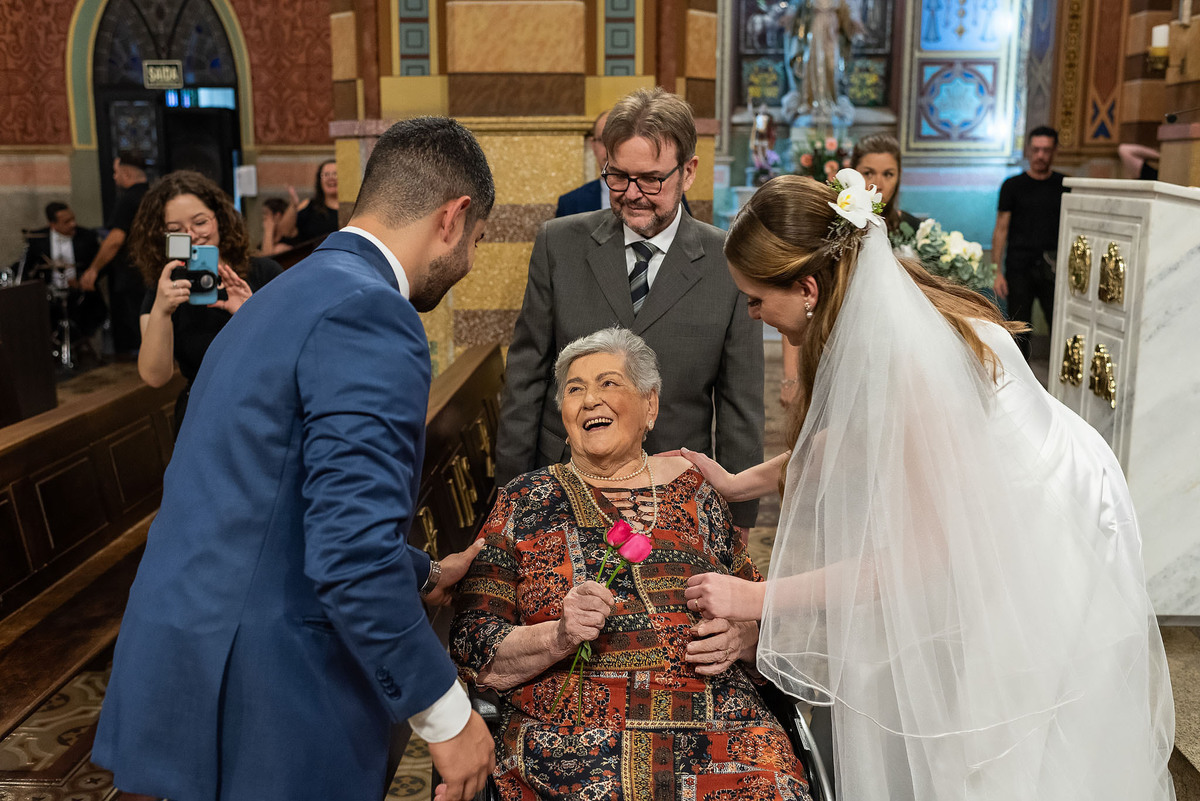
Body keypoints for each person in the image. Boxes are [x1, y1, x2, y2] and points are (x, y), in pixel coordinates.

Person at [679, 172, 1175, 799]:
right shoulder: (878, 304)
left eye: (756, 300)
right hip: (1012, 497)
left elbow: (915, 563)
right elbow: (847, 439)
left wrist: (758, 599)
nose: (753, 315)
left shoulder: (905, 361)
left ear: (807, 288)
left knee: (997, 742)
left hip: (1040, 534)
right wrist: (738, 482)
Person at [93, 117, 499, 801]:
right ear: (453, 217)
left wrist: (425, 572)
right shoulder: (372, 313)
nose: (469, 264)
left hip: (187, 654)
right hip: (268, 689)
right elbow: (350, 552)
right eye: (478, 241)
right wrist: (446, 715)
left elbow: (273, 491)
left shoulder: (286, 291)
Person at [452, 328, 813, 800]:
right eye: (575, 389)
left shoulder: (698, 493)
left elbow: (764, 615)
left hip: (720, 724)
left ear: (650, 406)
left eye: (609, 383)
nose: (590, 400)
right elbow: (473, 644)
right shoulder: (523, 500)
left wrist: (742, 639)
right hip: (573, 737)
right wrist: (558, 635)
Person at [496, 86, 764, 532]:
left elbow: (741, 405)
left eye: (651, 179)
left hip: (676, 494)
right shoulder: (558, 245)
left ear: (688, 171)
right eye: (618, 177)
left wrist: (739, 518)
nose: (633, 194)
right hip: (565, 487)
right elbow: (526, 378)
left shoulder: (727, 262)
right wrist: (509, 495)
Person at [129, 171, 284, 431]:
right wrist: (162, 310)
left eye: (200, 222)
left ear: (219, 218)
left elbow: (291, 354)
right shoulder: (165, 289)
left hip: (264, 410)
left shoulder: (264, 272)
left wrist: (250, 313)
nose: (192, 235)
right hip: (202, 416)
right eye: (176, 230)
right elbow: (155, 377)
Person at [780, 133, 918, 405]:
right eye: (868, 173)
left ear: (899, 177)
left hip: (899, 357)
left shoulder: (913, 230)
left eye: (888, 174)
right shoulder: (835, 228)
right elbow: (799, 297)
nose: (878, 183)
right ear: (853, 172)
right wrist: (791, 376)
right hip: (837, 352)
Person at [991, 125, 1068, 360]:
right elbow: (1001, 229)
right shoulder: (1012, 186)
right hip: (1019, 267)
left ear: (1054, 151)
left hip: (1053, 267)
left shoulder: (1065, 185)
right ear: (1028, 150)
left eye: (1046, 150)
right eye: (1036, 149)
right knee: (1019, 330)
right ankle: (1019, 375)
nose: (1040, 155)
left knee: (1060, 325)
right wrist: (996, 271)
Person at [81, 152, 151, 356]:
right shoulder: (155, 196)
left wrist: (93, 269)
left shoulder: (128, 200)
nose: (114, 177)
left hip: (134, 275)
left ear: (126, 173)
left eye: (116, 172)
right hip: (154, 271)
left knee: (142, 328)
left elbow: (115, 240)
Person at [23, 202, 107, 346]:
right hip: (50, 295)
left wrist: (82, 279)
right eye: (67, 222)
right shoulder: (38, 239)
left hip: (80, 294)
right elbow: (26, 266)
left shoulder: (87, 236)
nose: (73, 224)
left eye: (73, 219)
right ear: (53, 224)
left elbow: (101, 265)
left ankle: (80, 345)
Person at [555, 110, 610, 217]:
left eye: (616, 140)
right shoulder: (570, 203)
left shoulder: (644, 195)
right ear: (593, 146)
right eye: (603, 140)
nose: (609, 149)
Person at [276, 158, 341, 245]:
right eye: (326, 174)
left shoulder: (352, 208)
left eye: (335, 174)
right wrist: (293, 205)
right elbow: (285, 232)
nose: (331, 178)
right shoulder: (309, 205)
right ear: (319, 181)